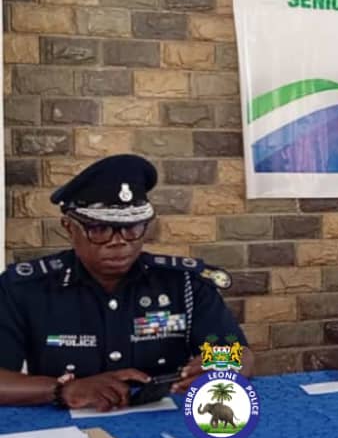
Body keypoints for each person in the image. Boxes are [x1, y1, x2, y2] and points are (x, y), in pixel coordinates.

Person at [0, 155, 249, 411]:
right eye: (99, 229)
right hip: (63, 426)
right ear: (69, 228)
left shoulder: (183, 283)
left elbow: (240, 354)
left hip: (166, 421)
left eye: (132, 228)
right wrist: (60, 390)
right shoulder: (25, 288)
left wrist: (220, 364)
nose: (119, 242)